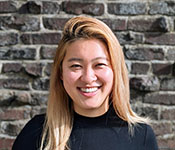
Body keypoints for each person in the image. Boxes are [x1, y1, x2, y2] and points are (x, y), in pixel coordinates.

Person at [12, 16, 158, 150]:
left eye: (99, 65)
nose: (88, 78)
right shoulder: (36, 134)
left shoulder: (141, 136)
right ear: (61, 73)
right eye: (76, 66)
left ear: (115, 71)